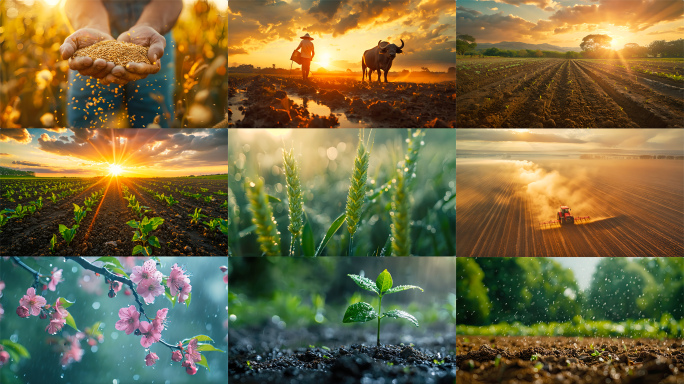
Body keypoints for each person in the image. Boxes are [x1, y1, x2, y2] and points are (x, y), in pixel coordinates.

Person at [59, 0, 182, 127]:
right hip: (91, 29)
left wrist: (150, 25)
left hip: (152, 34)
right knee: (87, 128)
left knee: (154, 125)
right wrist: (93, 24)